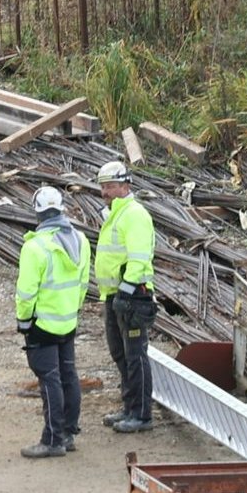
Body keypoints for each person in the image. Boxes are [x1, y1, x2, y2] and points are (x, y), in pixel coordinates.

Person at [12, 186, 89, 458]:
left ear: (38, 212)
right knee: (68, 376)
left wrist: (24, 321)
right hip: (68, 322)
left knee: (49, 380)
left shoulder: (35, 247)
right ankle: (68, 433)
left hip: (42, 326)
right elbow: (82, 284)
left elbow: (26, 293)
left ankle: (53, 440)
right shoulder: (80, 239)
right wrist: (72, 310)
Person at [90, 161, 159, 432]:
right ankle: (129, 407)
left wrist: (127, 289)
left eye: (111, 186)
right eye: (103, 187)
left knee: (135, 355)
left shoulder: (134, 214)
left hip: (132, 295)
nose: (105, 192)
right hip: (114, 295)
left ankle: (141, 415)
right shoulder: (115, 214)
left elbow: (139, 256)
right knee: (120, 353)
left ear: (125, 186)